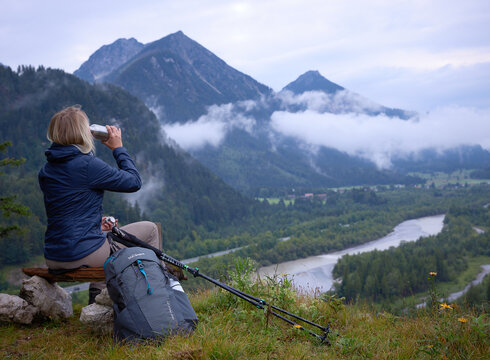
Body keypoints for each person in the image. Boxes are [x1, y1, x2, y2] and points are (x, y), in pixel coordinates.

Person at [38, 105, 160, 303]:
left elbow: (66, 209)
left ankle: (97, 302)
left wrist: (94, 223)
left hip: (54, 255)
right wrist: (118, 148)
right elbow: (133, 181)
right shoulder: (87, 165)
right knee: (151, 229)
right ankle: (153, 296)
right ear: (84, 133)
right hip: (81, 254)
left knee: (104, 241)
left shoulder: (46, 170)